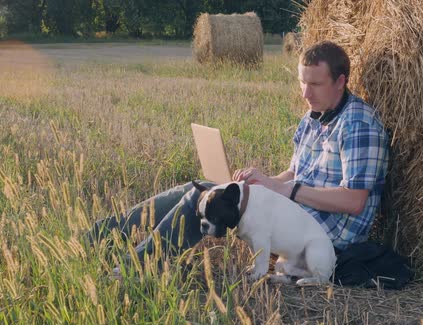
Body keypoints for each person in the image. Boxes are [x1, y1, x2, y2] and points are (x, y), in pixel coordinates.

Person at [87, 40, 389, 267]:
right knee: (205, 189)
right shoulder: (314, 116)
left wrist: (284, 189)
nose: (305, 94)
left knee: (202, 199)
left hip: (323, 236)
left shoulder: (359, 125)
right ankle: (101, 237)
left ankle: (134, 265)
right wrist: (264, 181)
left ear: (340, 82)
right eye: (302, 82)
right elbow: (295, 173)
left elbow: (354, 201)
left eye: (314, 84)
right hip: (295, 214)